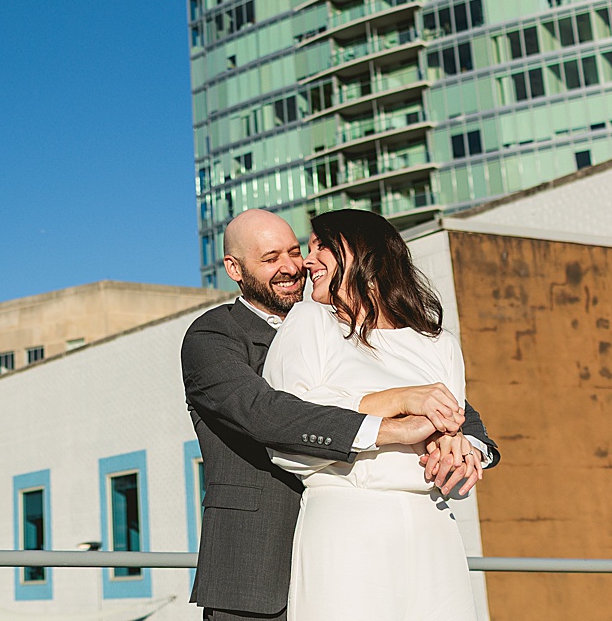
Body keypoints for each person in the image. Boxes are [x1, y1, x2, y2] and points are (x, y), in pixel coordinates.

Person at [180, 209, 497, 621]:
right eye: (271, 258)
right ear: (234, 268)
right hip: (259, 563)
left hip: (396, 543)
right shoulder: (214, 335)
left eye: (295, 252)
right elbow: (264, 412)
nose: (293, 266)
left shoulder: (361, 327)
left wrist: (467, 444)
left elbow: (453, 405)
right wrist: (396, 419)